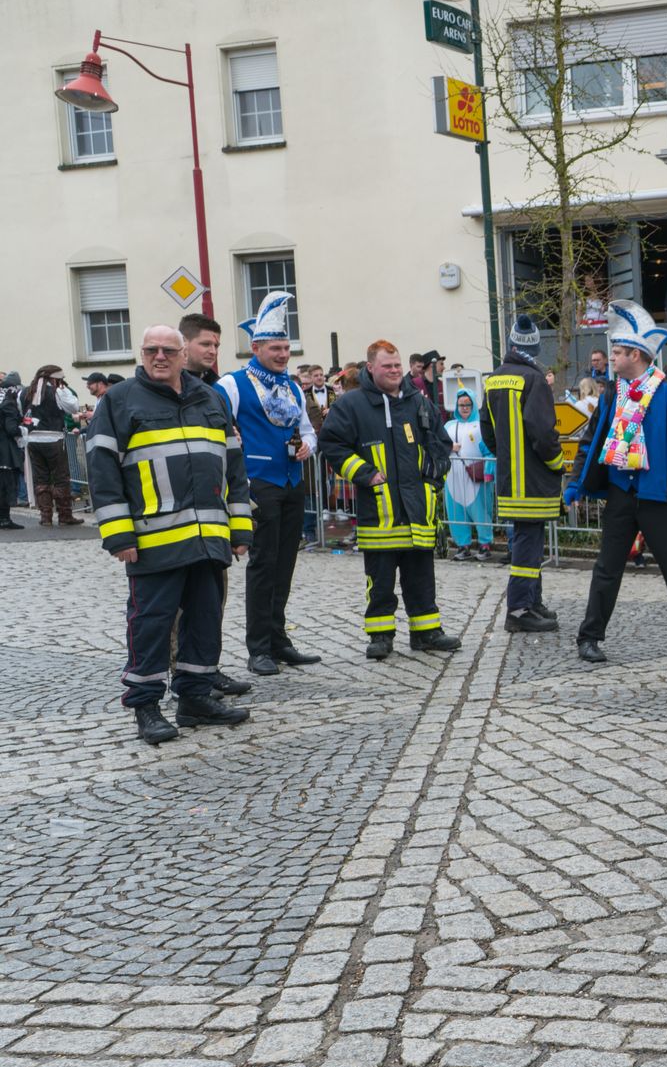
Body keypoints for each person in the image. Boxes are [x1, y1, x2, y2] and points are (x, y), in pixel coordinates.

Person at [87, 326, 252, 744]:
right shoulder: (119, 401)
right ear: (141, 354)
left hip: (209, 538)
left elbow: (234, 466)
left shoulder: (210, 398)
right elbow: (103, 471)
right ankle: (146, 706)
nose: (159, 357)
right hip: (152, 543)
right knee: (151, 625)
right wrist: (118, 534)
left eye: (167, 350)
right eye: (150, 350)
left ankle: (195, 699)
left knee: (205, 620)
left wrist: (240, 528)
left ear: (183, 354)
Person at [567, 301, 667, 662]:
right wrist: (575, 483)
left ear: (636, 355)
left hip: (657, 496)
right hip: (620, 493)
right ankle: (589, 637)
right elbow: (591, 440)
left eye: (616, 352)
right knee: (607, 568)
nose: (610, 358)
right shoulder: (612, 393)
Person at [320, 341, 461, 660]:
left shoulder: (419, 402)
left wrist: (434, 472)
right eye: (388, 366)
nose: (395, 370)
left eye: (397, 365)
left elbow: (441, 442)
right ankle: (381, 636)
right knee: (380, 582)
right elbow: (332, 444)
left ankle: (426, 632)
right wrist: (364, 473)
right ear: (371, 368)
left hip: (417, 511)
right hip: (379, 513)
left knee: (422, 578)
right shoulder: (352, 404)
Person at [217, 292, 322, 677]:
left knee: (285, 564)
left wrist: (307, 446)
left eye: (286, 348)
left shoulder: (292, 387)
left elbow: (308, 430)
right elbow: (214, 425)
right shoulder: (232, 384)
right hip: (257, 484)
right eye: (275, 348)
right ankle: (258, 647)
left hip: (292, 482)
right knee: (262, 566)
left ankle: (278, 640)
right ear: (256, 347)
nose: (282, 355)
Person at [484, 316, 566, 632]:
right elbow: (544, 434)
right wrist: (558, 463)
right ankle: (519, 610)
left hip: (509, 480)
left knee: (527, 541)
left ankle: (532, 601)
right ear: (535, 347)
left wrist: (505, 457)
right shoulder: (534, 380)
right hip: (534, 481)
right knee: (528, 544)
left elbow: (486, 431)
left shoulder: (493, 379)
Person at [23, 366, 81, 526]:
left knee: (41, 478)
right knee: (61, 477)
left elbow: (21, 412)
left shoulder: (27, 391)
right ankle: (64, 515)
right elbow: (73, 407)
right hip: (54, 438)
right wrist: (63, 389)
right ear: (56, 378)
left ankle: (45, 516)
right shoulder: (57, 391)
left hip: (33, 439)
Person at [443, 390, 496, 563]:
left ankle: (484, 544)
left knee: (481, 510)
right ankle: (463, 545)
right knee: (456, 512)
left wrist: (489, 471)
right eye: (461, 404)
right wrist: (449, 448)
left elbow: (489, 451)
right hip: (453, 476)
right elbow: (438, 445)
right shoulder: (449, 426)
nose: (464, 408)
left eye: (467, 404)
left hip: (475, 476)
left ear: (473, 405)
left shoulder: (481, 425)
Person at [0, 372, 22, 530]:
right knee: (5, 484)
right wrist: (27, 427)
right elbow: (11, 429)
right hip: (4, 449)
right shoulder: (8, 403)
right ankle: (4, 519)